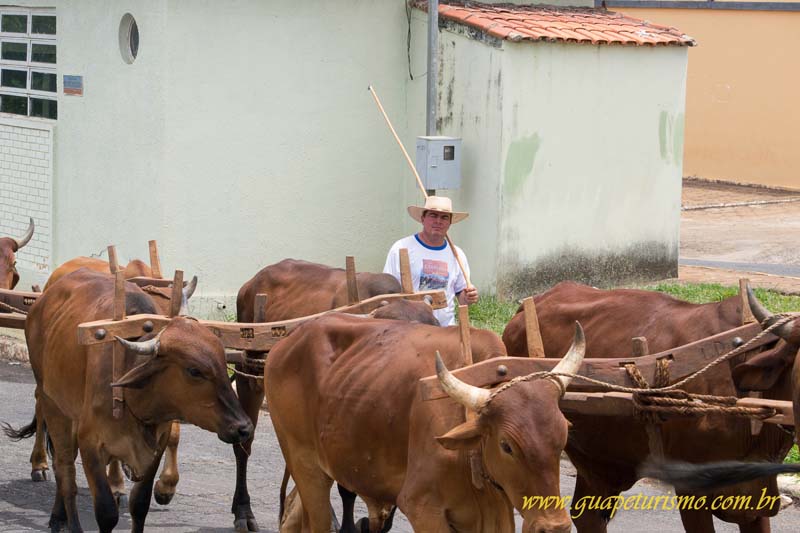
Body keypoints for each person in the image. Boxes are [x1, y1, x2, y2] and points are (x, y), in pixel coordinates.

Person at [383, 196, 479, 326]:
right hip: (409, 328)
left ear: (450, 223)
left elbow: (461, 296)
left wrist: (468, 296)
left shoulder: (457, 255)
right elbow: (388, 293)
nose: (438, 221)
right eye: (433, 215)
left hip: (444, 330)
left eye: (444, 217)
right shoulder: (401, 248)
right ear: (423, 218)